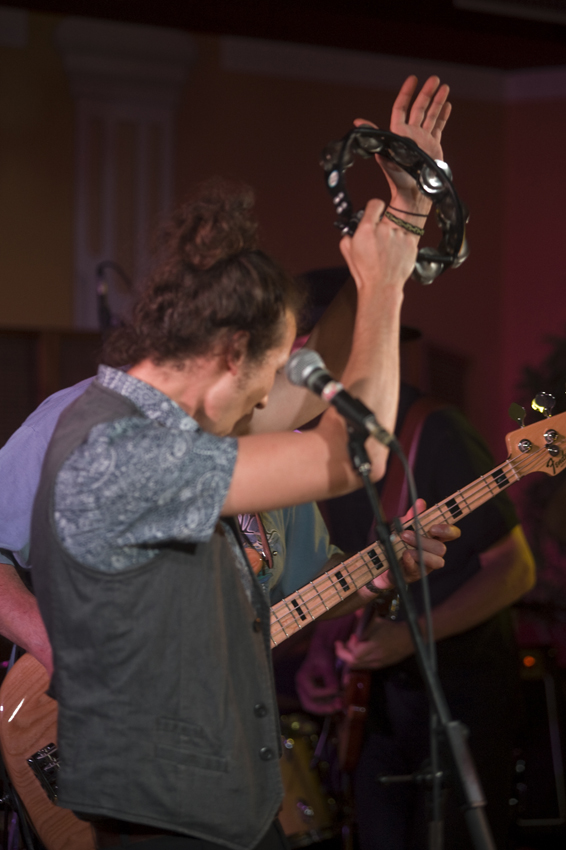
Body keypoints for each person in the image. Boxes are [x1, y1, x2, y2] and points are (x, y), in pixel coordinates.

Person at [0, 73, 452, 677]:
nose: (270, 395)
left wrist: (408, 212)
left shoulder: (195, 430)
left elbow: (323, 375)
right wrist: (384, 285)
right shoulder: (119, 445)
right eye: (273, 367)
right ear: (232, 354)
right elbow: (351, 456)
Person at [296, 383, 536, 850]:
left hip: (457, 695)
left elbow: (516, 569)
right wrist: (325, 651)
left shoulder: (435, 429)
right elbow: (343, 568)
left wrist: (411, 637)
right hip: (377, 702)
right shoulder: (320, 442)